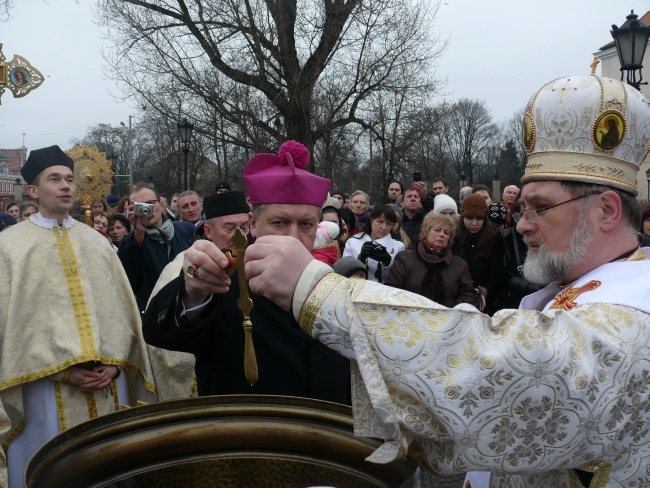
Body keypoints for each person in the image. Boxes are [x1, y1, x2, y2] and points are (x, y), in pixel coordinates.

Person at [243, 75, 650, 485]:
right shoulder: (571, 291)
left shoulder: (636, 316)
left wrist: (319, 291)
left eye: (540, 207)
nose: (523, 225)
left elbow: (495, 370)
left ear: (607, 211)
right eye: (523, 208)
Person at [143, 141, 349, 404]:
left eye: (306, 224)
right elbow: (158, 333)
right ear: (253, 224)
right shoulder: (223, 281)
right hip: (243, 437)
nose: (293, 237)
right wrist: (192, 293)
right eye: (279, 222)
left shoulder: (331, 286)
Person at [0, 146, 156, 487]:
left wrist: (116, 364)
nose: (65, 185)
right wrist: (62, 371)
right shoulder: (9, 248)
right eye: (54, 179)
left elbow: (121, 313)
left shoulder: (98, 243)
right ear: (32, 190)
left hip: (106, 383)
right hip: (40, 386)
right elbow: (11, 327)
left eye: (69, 179)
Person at [118, 184, 195, 312]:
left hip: (188, 309)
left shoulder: (185, 230)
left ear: (162, 205)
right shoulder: (130, 242)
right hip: (154, 314)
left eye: (150, 203)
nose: (146, 209)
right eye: (140, 206)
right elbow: (130, 283)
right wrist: (139, 233)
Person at [385, 213, 475, 307]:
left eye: (446, 232)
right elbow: (392, 290)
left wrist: (451, 313)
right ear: (426, 232)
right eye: (437, 230)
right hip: (410, 317)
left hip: (447, 319)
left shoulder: (459, 265)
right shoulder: (405, 258)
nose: (441, 235)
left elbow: (468, 295)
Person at [452, 193, 497, 311]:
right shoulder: (454, 239)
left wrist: (485, 290)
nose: (474, 223)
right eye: (469, 218)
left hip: (487, 302)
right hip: (458, 300)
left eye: (479, 218)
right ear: (462, 218)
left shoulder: (494, 239)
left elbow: (498, 272)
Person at [343, 204, 404, 283]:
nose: (384, 228)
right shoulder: (352, 242)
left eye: (389, 224)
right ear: (371, 220)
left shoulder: (399, 246)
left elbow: (400, 277)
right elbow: (343, 272)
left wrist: (388, 261)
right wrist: (360, 259)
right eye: (380, 222)